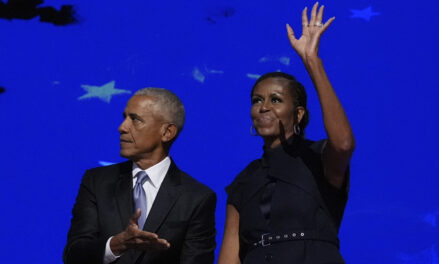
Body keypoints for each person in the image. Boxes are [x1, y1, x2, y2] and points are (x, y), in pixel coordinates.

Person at [218, 3, 355, 264]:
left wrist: (312, 61)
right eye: (257, 100)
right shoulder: (244, 181)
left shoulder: (317, 158)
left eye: (276, 100)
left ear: (299, 114)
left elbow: (345, 144)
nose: (264, 107)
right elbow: (229, 255)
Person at [63, 88, 216, 264]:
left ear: (167, 132)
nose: (122, 127)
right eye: (124, 117)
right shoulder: (97, 182)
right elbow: (73, 255)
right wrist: (116, 245)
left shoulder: (196, 198)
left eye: (135, 119)